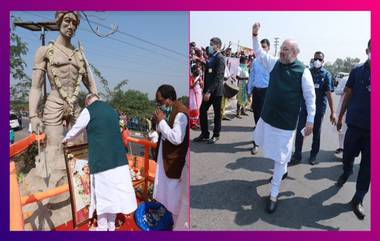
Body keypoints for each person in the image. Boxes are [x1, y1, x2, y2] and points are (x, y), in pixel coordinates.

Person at [251, 22, 316, 213]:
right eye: (281, 49)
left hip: (285, 124)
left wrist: (310, 120)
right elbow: (260, 54)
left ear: (295, 53)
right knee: (273, 151)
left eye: (286, 50)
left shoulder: (303, 71)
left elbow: (310, 97)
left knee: (279, 158)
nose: (281, 52)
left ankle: (273, 193)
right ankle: (284, 170)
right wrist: (255, 35)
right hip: (268, 117)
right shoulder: (275, 63)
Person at [29, 11, 97, 190]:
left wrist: (99, 109)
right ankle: (52, 192)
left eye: (74, 23)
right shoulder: (45, 51)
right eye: (67, 21)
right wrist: (33, 115)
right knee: (54, 148)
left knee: (79, 148)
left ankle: (78, 192)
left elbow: (92, 87)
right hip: (54, 103)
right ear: (59, 21)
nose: (71, 26)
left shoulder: (79, 56)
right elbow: (36, 87)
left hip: (75, 106)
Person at [63, 94, 137, 231]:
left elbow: (77, 128)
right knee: (114, 195)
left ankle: (102, 228)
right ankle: (111, 225)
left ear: (87, 103)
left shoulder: (89, 110)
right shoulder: (111, 110)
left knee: (102, 197)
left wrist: (65, 139)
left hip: (103, 162)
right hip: (119, 160)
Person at [336, 40, 370, 220]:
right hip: (355, 126)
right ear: (368, 51)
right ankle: (346, 171)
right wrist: (340, 117)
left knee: (368, 167)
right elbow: (348, 93)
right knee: (348, 155)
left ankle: (358, 199)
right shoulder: (357, 71)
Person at [152, 85, 189, 229]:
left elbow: (176, 138)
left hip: (174, 162)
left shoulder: (180, 114)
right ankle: (167, 215)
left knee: (173, 196)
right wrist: (158, 122)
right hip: (165, 158)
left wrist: (161, 121)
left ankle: (176, 224)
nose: (159, 105)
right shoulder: (168, 111)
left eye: (160, 101)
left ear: (169, 99)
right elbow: (162, 131)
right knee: (165, 191)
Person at [290, 51, 336, 165]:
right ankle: (297, 155)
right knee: (300, 130)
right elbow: (299, 90)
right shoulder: (307, 73)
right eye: (316, 59)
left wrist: (333, 112)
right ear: (313, 59)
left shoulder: (326, 75)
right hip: (305, 108)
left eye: (320, 59)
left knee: (316, 132)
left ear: (323, 61)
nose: (317, 61)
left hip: (319, 109)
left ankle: (313, 156)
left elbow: (329, 94)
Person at [194, 37, 226, 144]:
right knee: (202, 110)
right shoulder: (212, 57)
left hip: (216, 92)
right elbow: (208, 73)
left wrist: (209, 91)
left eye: (211, 44)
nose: (210, 46)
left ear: (217, 46)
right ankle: (205, 134)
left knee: (217, 114)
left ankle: (216, 135)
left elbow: (218, 77)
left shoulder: (220, 58)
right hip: (207, 90)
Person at [247, 38, 271, 155]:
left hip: (267, 92)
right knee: (257, 116)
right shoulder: (255, 62)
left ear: (268, 48)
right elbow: (252, 76)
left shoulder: (271, 62)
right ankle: (256, 142)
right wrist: (249, 89)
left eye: (264, 47)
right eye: (260, 47)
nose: (262, 49)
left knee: (265, 117)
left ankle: (264, 138)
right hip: (257, 91)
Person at [334, 75, 349, 155]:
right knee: (341, 129)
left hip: (354, 108)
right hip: (343, 107)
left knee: (349, 130)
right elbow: (337, 91)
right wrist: (344, 90)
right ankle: (341, 147)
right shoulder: (345, 79)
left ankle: (347, 150)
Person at [189, 64, 203, 129]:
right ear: (193, 70)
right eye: (197, 69)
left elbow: (202, 86)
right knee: (194, 109)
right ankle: (192, 124)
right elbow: (191, 86)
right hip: (193, 95)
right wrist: (197, 80)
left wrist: (201, 82)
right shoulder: (190, 77)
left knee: (198, 109)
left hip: (199, 95)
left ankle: (196, 122)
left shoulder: (199, 77)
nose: (198, 71)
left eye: (199, 70)